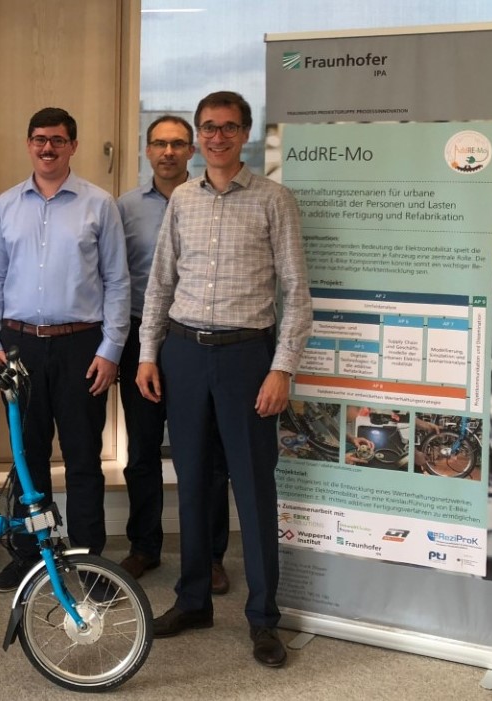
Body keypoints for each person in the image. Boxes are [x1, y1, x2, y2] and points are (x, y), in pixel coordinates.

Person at [136, 91, 311, 668]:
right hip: (185, 354)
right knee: (190, 485)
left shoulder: (273, 200)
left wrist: (282, 368)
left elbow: (297, 293)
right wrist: (148, 354)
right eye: (207, 128)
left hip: (246, 360)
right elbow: (160, 284)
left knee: (254, 488)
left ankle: (264, 619)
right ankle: (192, 600)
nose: (216, 137)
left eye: (228, 128)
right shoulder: (182, 198)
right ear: (197, 134)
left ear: (245, 133)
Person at [0, 107, 130, 593]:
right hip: (18, 347)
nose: (48, 148)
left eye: (58, 140)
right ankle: (28, 557)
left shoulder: (99, 204)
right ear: (28, 144)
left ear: (73, 146)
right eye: (40, 139)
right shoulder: (6, 205)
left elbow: (117, 283)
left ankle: (90, 562)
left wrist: (111, 349)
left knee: (84, 458)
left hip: (81, 346)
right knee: (27, 459)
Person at [117, 115, 233, 594]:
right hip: (140, 337)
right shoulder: (123, 208)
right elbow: (113, 276)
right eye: (159, 144)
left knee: (206, 452)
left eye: (178, 144)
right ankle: (144, 545)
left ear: (192, 151)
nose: (168, 152)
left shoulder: (213, 201)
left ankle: (209, 555)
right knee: (142, 449)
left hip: (195, 340)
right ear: (147, 151)